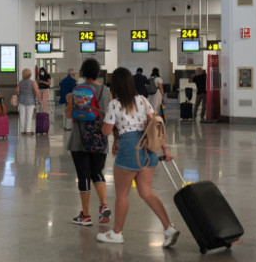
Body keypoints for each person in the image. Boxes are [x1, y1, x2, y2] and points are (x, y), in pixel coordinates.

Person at [97, 67, 178, 247]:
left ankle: (117, 233)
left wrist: (102, 124)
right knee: (146, 192)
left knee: (122, 195)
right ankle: (168, 227)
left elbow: (106, 130)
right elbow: (155, 125)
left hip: (129, 150)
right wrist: (165, 149)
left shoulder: (115, 104)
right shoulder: (143, 100)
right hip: (149, 150)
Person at [66, 59, 112, 226]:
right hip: (99, 138)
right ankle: (103, 204)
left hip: (79, 139)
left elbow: (69, 115)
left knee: (83, 175)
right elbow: (109, 115)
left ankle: (85, 214)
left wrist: (70, 100)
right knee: (97, 172)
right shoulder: (107, 91)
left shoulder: (77, 90)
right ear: (98, 73)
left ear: (82, 73)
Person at [16, 68, 41, 136]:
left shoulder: (20, 82)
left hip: (21, 101)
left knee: (22, 116)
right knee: (29, 116)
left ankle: (22, 130)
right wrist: (39, 99)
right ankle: (28, 130)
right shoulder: (33, 82)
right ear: (30, 75)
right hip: (30, 101)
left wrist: (18, 97)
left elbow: (17, 91)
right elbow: (36, 91)